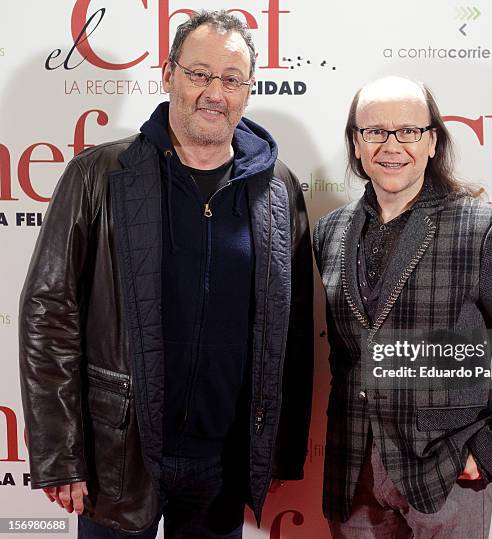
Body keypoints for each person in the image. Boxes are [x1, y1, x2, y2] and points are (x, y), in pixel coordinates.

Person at [19, 10, 313, 539]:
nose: (214, 93)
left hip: (222, 465)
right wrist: (61, 455)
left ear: (248, 90)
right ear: (168, 74)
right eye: (200, 74)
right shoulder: (100, 174)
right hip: (118, 456)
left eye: (231, 79)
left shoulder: (278, 189)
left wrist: (278, 452)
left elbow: (291, 332)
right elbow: (49, 312)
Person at [313, 76, 492, 538]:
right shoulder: (329, 231)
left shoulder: (485, 230)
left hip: (447, 473)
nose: (391, 145)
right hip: (352, 470)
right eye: (374, 131)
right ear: (356, 143)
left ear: (433, 141)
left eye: (408, 131)